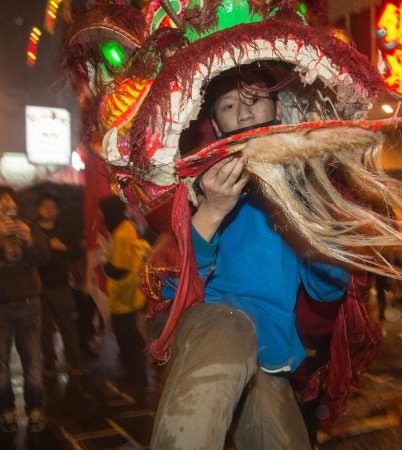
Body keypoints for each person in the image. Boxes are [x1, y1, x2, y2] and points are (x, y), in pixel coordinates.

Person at [147, 67, 350, 449]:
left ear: (278, 108)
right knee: (231, 327)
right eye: (228, 105)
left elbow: (326, 293)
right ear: (215, 123)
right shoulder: (196, 186)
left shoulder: (304, 191)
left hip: (269, 356)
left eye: (254, 100)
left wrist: (315, 229)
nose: (243, 114)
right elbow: (171, 289)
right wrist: (212, 210)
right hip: (209, 334)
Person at [0, 185, 50, 433]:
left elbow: (44, 256)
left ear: (15, 203)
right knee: (0, 363)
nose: (5, 203)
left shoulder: (29, 227)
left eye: (9, 199)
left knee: (33, 361)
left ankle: (35, 409)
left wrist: (29, 239)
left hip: (28, 304)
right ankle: (6, 409)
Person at [97, 195, 150, 392]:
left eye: (102, 211)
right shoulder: (126, 227)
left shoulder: (121, 233)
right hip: (129, 294)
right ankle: (135, 375)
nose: (100, 215)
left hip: (125, 295)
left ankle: (136, 377)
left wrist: (104, 260)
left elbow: (118, 269)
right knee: (129, 336)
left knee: (128, 338)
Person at [35, 193, 83, 376]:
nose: (49, 210)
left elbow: (75, 252)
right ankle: (49, 362)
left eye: (53, 207)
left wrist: (62, 247)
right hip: (38, 287)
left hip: (61, 286)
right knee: (43, 328)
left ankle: (74, 361)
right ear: (38, 209)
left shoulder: (63, 230)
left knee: (67, 325)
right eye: (45, 206)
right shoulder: (32, 230)